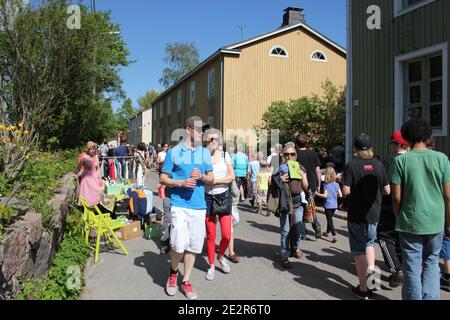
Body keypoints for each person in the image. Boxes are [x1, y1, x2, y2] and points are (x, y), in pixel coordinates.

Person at [390, 119, 450, 300]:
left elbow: (396, 197)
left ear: (406, 137)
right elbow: (448, 196)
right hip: (435, 221)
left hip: (409, 221)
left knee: (412, 267)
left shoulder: (400, 161)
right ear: (427, 136)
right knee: (432, 263)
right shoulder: (442, 159)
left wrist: (398, 214)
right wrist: (449, 221)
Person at [160, 116, 214, 300]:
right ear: (189, 129)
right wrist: (181, 182)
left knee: (193, 245)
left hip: (199, 206)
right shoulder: (174, 152)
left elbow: (211, 178)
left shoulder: (205, 153)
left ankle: (186, 281)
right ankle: (173, 272)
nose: (202, 133)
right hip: (179, 204)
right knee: (178, 242)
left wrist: (202, 177)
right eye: (200, 130)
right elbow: (163, 178)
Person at [342, 133, 390, 300]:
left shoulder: (351, 165)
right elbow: (387, 190)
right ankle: (372, 282)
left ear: (355, 148)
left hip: (356, 215)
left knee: (358, 249)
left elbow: (345, 191)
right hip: (374, 214)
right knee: (370, 244)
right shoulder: (379, 165)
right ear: (370, 147)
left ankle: (363, 289)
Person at [269, 142, 308, 269]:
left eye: (292, 154)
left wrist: (303, 177)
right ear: (283, 155)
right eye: (287, 154)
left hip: (298, 203)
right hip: (285, 204)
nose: (290, 157)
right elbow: (271, 183)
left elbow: (306, 187)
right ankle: (284, 254)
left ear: (296, 155)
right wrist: (280, 179)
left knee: (298, 229)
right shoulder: (279, 168)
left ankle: (296, 247)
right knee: (285, 230)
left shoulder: (301, 168)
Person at [377, 131, 409, 288]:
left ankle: (396, 269)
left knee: (385, 237)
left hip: (390, 206)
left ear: (397, 145)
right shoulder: (412, 158)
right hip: (409, 206)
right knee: (402, 238)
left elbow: (385, 184)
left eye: (392, 143)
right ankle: (404, 266)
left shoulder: (390, 160)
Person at [204, 129, 235, 281]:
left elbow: (231, 177)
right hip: (208, 198)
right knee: (210, 235)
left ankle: (221, 256)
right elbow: (200, 178)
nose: (213, 142)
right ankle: (211, 266)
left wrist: (214, 181)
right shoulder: (202, 156)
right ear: (205, 140)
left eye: (215, 139)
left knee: (226, 235)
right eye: (210, 139)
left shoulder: (225, 155)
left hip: (224, 197)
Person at [295, 133, 322, 239]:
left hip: (299, 184)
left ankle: (303, 232)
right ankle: (317, 225)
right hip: (312, 184)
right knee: (311, 207)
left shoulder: (295, 155)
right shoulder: (313, 154)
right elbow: (318, 171)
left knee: (301, 208)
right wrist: (319, 184)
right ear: (307, 142)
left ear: (297, 143)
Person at [72, 141, 104, 206]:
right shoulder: (84, 157)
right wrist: (74, 174)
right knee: (88, 194)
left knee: (98, 191)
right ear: (88, 150)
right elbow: (78, 168)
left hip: (95, 178)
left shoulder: (96, 157)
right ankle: (88, 208)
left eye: (94, 149)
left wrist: (100, 179)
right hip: (87, 179)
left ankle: (95, 206)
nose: (92, 150)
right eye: (91, 149)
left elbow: (98, 169)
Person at [316, 167, 342, 243]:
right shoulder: (337, 184)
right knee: (329, 219)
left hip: (328, 205)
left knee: (329, 220)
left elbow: (325, 196)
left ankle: (334, 235)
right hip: (334, 205)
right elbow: (340, 195)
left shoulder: (326, 185)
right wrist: (334, 194)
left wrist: (317, 194)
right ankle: (327, 232)